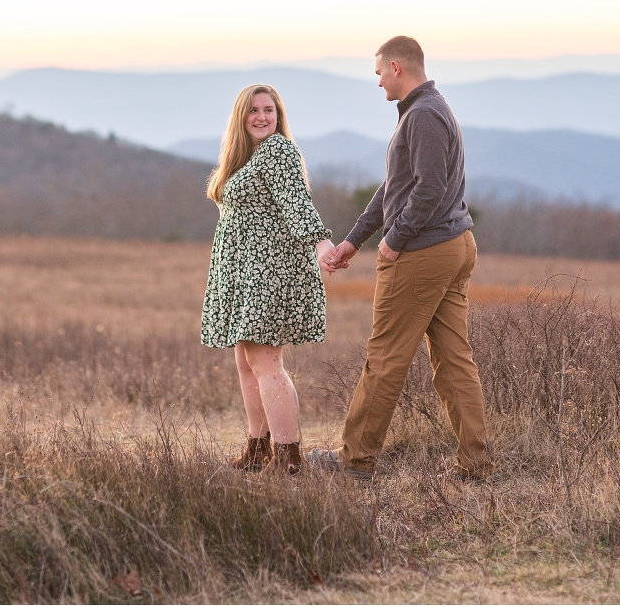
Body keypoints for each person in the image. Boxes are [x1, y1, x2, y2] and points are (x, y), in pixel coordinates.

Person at [310, 35, 494, 481]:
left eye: (378, 73)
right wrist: (354, 239)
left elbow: (428, 189)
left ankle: (354, 460)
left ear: (397, 67)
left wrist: (394, 240)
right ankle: (477, 464)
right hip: (451, 246)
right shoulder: (424, 110)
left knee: (386, 356)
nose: (377, 83)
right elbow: (395, 187)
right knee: (453, 359)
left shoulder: (424, 115)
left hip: (424, 252)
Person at [201, 84, 338, 476]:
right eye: (254, 110)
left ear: (279, 117)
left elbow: (297, 201)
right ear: (240, 117)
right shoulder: (247, 158)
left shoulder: (278, 151)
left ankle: (289, 458)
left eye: (269, 110)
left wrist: (322, 243)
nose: (262, 117)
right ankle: (259, 449)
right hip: (246, 275)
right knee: (247, 362)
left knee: (266, 363)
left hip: (270, 273)